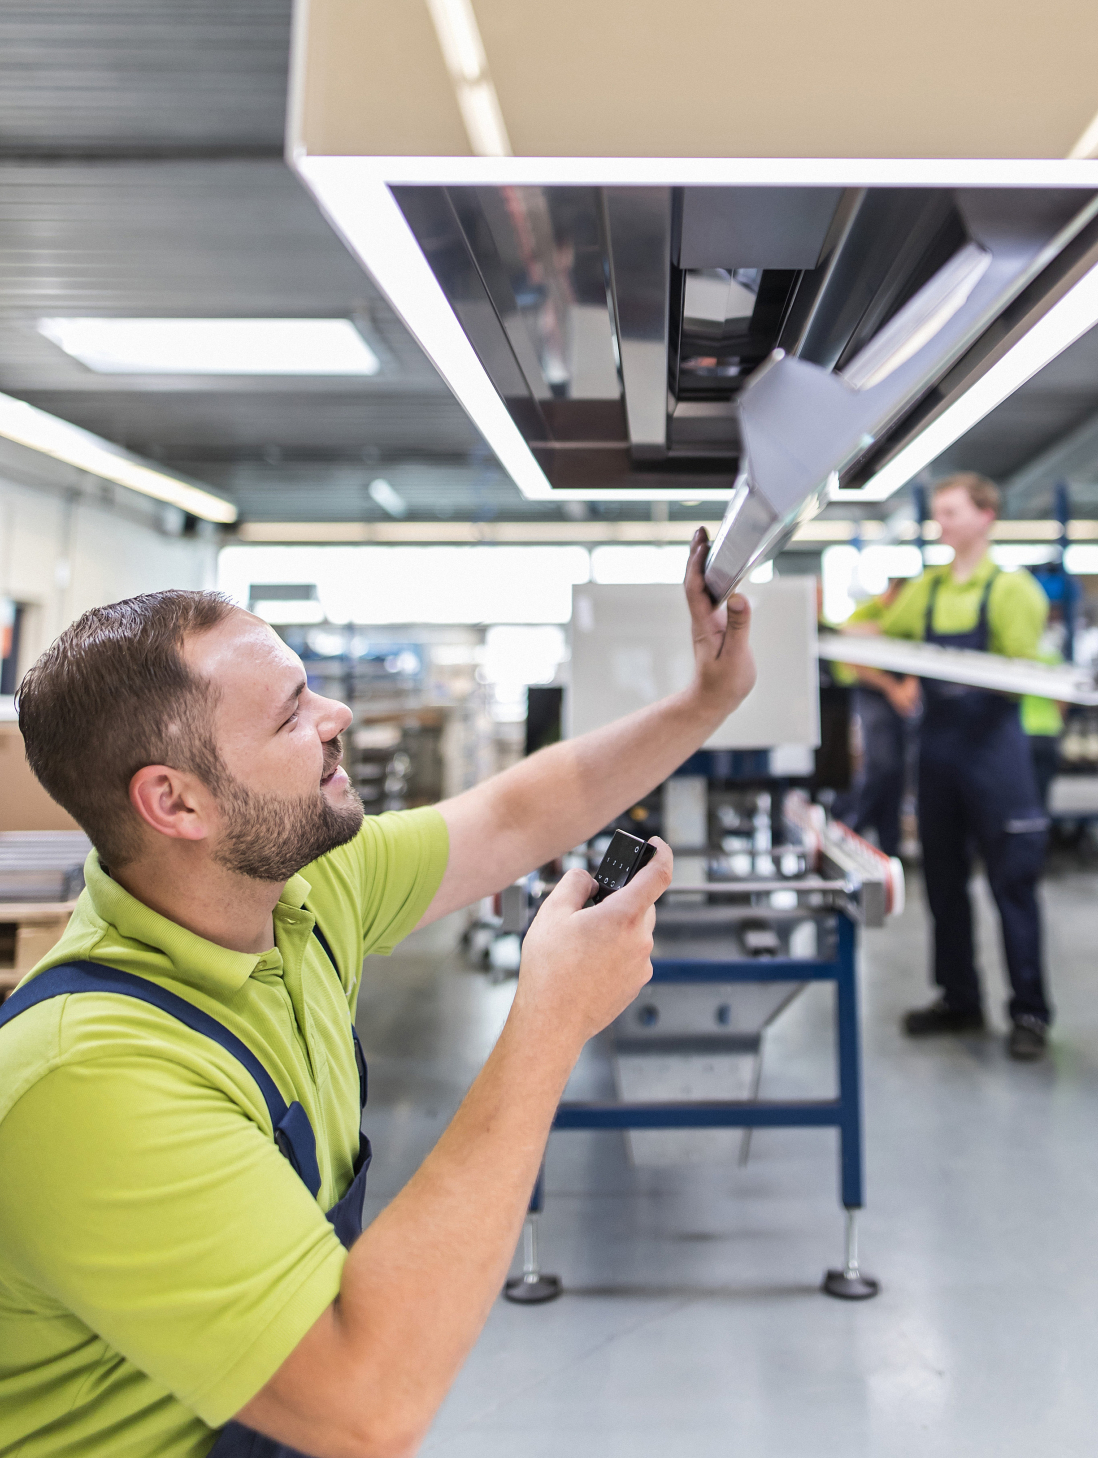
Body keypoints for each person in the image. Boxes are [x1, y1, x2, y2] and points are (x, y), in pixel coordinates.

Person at [0, 528, 754, 1458]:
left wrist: (703, 702)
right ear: (177, 803)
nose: (339, 712)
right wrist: (552, 1017)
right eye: (288, 716)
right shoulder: (89, 1080)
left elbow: (515, 813)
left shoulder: (299, 893)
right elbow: (365, 1406)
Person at [845, 474, 1053, 1062]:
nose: (943, 524)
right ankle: (959, 998)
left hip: (995, 752)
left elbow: (1023, 668)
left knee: (1012, 883)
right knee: (942, 884)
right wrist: (842, 638)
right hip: (937, 754)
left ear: (986, 516)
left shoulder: (1013, 589)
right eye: (937, 514)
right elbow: (884, 634)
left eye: (953, 512)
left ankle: (1030, 1011)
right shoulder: (928, 588)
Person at [832, 579, 921, 858]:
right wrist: (892, 688)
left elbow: (921, 650)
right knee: (879, 767)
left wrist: (909, 684)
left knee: (899, 771)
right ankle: (850, 831)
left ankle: (890, 845)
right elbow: (853, 659)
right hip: (872, 692)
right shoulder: (865, 613)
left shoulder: (910, 616)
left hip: (903, 698)